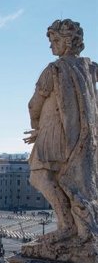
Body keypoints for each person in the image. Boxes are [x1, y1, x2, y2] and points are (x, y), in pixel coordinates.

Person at [24, 19, 98, 250]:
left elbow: (34, 103)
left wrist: (37, 126)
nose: (51, 47)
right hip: (79, 135)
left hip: (53, 132)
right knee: (64, 179)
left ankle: (67, 225)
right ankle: (75, 226)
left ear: (67, 42)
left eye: (54, 41)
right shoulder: (89, 69)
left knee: (39, 176)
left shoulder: (54, 69)